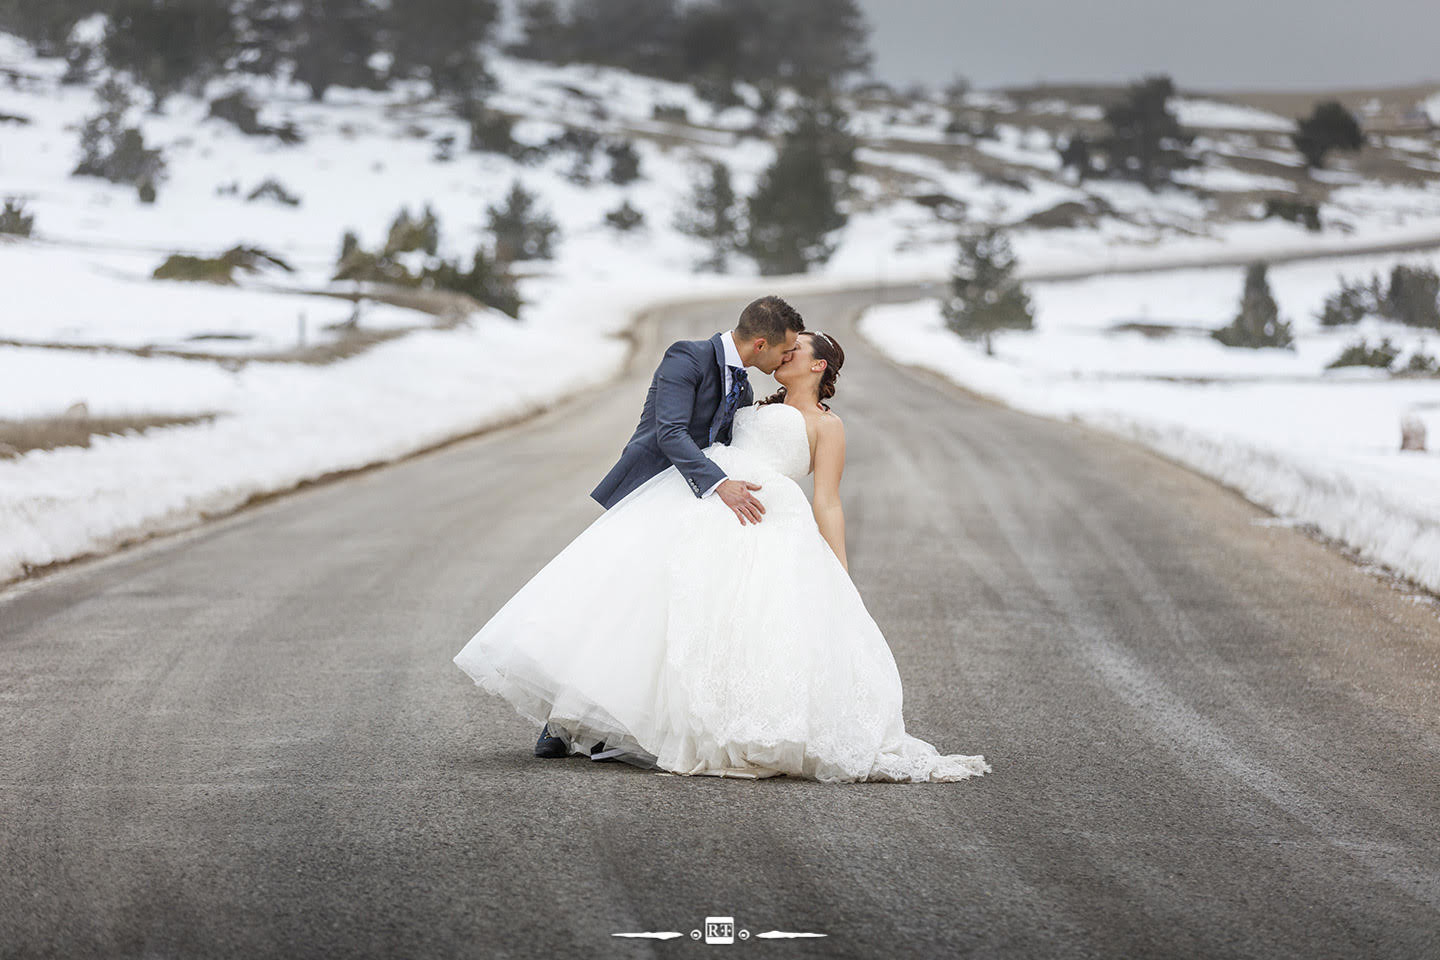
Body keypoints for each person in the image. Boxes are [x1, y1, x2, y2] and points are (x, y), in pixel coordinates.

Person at [453, 308, 991, 782]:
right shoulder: (746, 397)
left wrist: (838, 571)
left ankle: (717, 721)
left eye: (795, 350)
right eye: (783, 345)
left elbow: (828, 500)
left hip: (763, 512)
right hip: (707, 496)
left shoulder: (828, 427)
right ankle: (574, 717)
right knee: (645, 598)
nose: (784, 355)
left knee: (740, 624)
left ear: (818, 365)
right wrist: (712, 483)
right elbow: (679, 429)